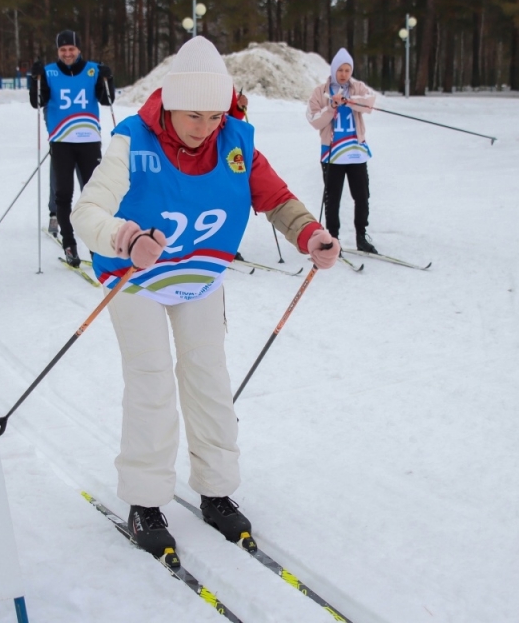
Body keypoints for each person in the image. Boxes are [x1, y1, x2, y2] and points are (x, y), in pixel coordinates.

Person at [70, 36, 339, 562]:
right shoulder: (133, 140)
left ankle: (216, 490)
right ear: (170, 103)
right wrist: (125, 236)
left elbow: (277, 198)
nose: (205, 128)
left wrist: (310, 234)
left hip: (199, 277)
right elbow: (87, 213)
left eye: (215, 115)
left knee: (209, 382)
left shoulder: (235, 138)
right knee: (151, 385)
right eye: (194, 115)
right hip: (137, 277)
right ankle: (145, 501)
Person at [29, 30, 114, 267]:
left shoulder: (92, 70)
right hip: (62, 141)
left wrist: (109, 78)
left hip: (88, 140)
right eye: (63, 50)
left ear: (79, 50)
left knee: (92, 195)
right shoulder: (49, 72)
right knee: (63, 195)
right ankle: (70, 244)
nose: (67, 53)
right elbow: (37, 102)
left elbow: (107, 100)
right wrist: (34, 80)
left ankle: (97, 246)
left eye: (71, 49)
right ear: (58, 51)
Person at [306, 47, 378, 254]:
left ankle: (361, 236)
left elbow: (370, 104)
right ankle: (333, 238)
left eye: (347, 70)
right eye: (340, 70)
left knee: (362, 195)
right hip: (332, 154)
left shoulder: (358, 87)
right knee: (333, 197)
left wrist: (350, 101)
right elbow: (314, 120)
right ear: (334, 70)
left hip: (356, 152)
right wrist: (331, 106)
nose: (344, 74)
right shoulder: (320, 91)